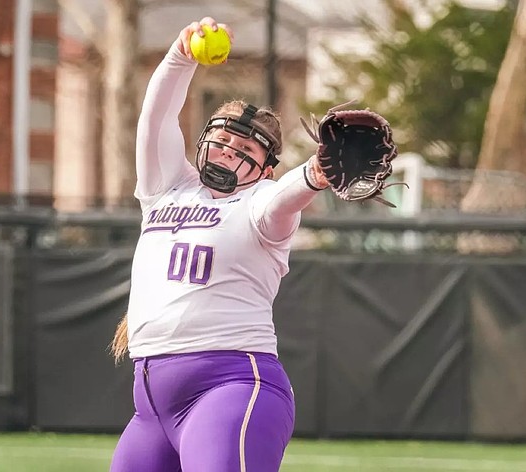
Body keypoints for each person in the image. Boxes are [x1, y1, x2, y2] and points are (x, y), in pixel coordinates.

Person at [109, 17, 331, 472]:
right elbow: (156, 117)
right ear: (204, 140)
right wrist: (180, 53)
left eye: (245, 148)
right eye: (224, 139)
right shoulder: (167, 188)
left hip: (231, 386)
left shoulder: (260, 201)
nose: (230, 150)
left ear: (266, 168)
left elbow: (287, 197)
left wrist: (314, 174)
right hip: (152, 403)